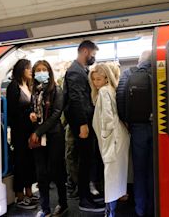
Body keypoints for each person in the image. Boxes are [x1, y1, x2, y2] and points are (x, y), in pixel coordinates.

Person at [63, 40, 105, 212]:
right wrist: (82, 124)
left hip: (87, 121)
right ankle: (84, 199)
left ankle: (88, 194)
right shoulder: (75, 71)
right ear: (86, 51)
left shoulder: (83, 71)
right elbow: (76, 99)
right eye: (94, 54)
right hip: (82, 124)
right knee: (84, 162)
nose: (94, 58)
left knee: (89, 160)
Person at [89, 63, 130, 217]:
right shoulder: (112, 89)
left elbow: (107, 120)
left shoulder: (104, 91)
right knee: (116, 175)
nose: (95, 83)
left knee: (111, 176)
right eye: (93, 79)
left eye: (98, 79)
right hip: (119, 137)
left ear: (106, 78)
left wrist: (106, 140)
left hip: (112, 138)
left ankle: (110, 212)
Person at [116, 50, 154, 216]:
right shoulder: (160, 71)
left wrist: (127, 122)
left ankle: (140, 210)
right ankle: (154, 208)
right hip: (159, 128)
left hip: (137, 128)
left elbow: (120, 99)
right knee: (154, 171)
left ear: (140, 61)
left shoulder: (128, 74)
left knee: (139, 171)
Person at [28, 60, 68, 217]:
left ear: (49, 72)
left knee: (56, 171)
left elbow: (56, 113)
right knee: (41, 173)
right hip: (38, 136)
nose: (41, 72)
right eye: (38, 70)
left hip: (54, 135)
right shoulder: (35, 91)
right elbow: (33, 109)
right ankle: (44, 208)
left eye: (44, 69)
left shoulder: (56, 89)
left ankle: (63, 204)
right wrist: (31, 114)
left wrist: (38, 132)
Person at [6, 59, 38, 209]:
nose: (30, 71)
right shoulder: (14, 87)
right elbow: (12, 112)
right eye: (28, 68)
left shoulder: (29, 85)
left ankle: (29, 193)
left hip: (29, 130)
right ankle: (19, 195)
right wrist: (27, 115)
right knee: (20, 162)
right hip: (19, 131)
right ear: (21, 70)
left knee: (30, 162)